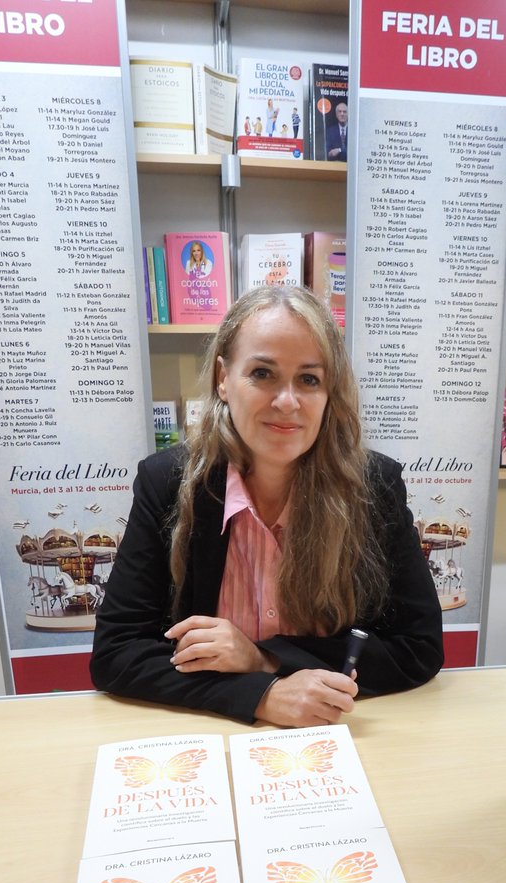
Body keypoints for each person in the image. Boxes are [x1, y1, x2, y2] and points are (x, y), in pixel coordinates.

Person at [90, 285, 444, 727]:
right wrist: (262, 697)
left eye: (309, 379)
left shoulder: (374, 488)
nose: (287, 401)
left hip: (342, 738)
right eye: (262, 373)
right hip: (208, 738)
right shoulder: (167, 483)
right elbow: (117, 654)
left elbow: (418, 648)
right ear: (223, 378)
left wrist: (263, 659)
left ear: (329, 392)